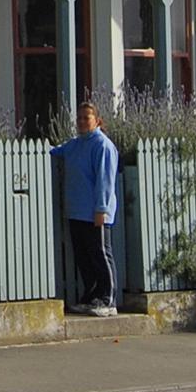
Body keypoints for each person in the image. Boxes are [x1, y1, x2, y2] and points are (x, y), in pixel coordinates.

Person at [49, 101, 119, 316]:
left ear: (96, 121)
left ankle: (109, 300)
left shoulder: (103, 145)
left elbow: (105, 180)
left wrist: (101, 209)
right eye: (78, 118)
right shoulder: (76, 144)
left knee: (100, 254)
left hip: (94, 212)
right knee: (83, 256)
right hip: (76, 210)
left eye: (85, 118)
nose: (81, 122)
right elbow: (56, 152)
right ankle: (91, 297)